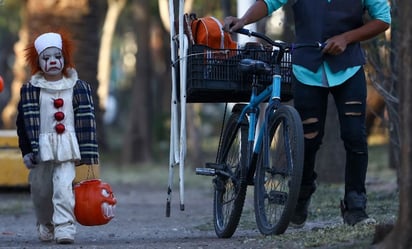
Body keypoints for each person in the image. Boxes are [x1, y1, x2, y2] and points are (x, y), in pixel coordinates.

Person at [224, 0, 391, 227]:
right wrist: (243, 20)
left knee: (355, 138)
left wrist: (346, 38)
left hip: (349, 68)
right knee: (308, 140)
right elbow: (269, 2)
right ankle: (301, 196)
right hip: (306, 69)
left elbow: (383, 19)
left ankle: (355, 207)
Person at [16, 30, 99, 244]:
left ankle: (65, 227)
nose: (53, 61)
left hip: (67, 146)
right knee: (42, 192)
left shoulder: (78, 88)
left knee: (63, 188)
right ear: (38, 61)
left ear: (65, 58)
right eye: (46, 58)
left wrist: (88, 154)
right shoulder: (30, 91)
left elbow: (87, 122)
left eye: (57, 56)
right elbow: (22, 123)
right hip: (40, 147)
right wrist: (26, 151)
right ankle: (46, 223)